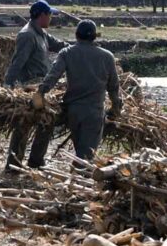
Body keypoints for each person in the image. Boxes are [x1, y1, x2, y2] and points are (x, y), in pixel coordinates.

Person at [33, 20, 122, 163]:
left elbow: (53, 76)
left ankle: (36, 161)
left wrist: (40, 92)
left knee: (79, 151)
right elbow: (114, 87)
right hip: (94, 113)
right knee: (84, 158)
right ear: (95, 37)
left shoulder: (67, 53)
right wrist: (115, 108)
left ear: (76, 35)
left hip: (72, 111)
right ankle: (77, 173)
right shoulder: (107, 56)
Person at [3, 0, 68, 170]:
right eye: (50, 14)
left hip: (42, 85)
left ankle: (36, 160)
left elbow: (59, 45)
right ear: (42, 15)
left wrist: (77, 49)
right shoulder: (27, 35)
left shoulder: (41, 33)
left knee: (47, 121)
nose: (51, 18)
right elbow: (17, 63)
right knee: (24, 123)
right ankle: (13, 164)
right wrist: (8, 84)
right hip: (30, 86)